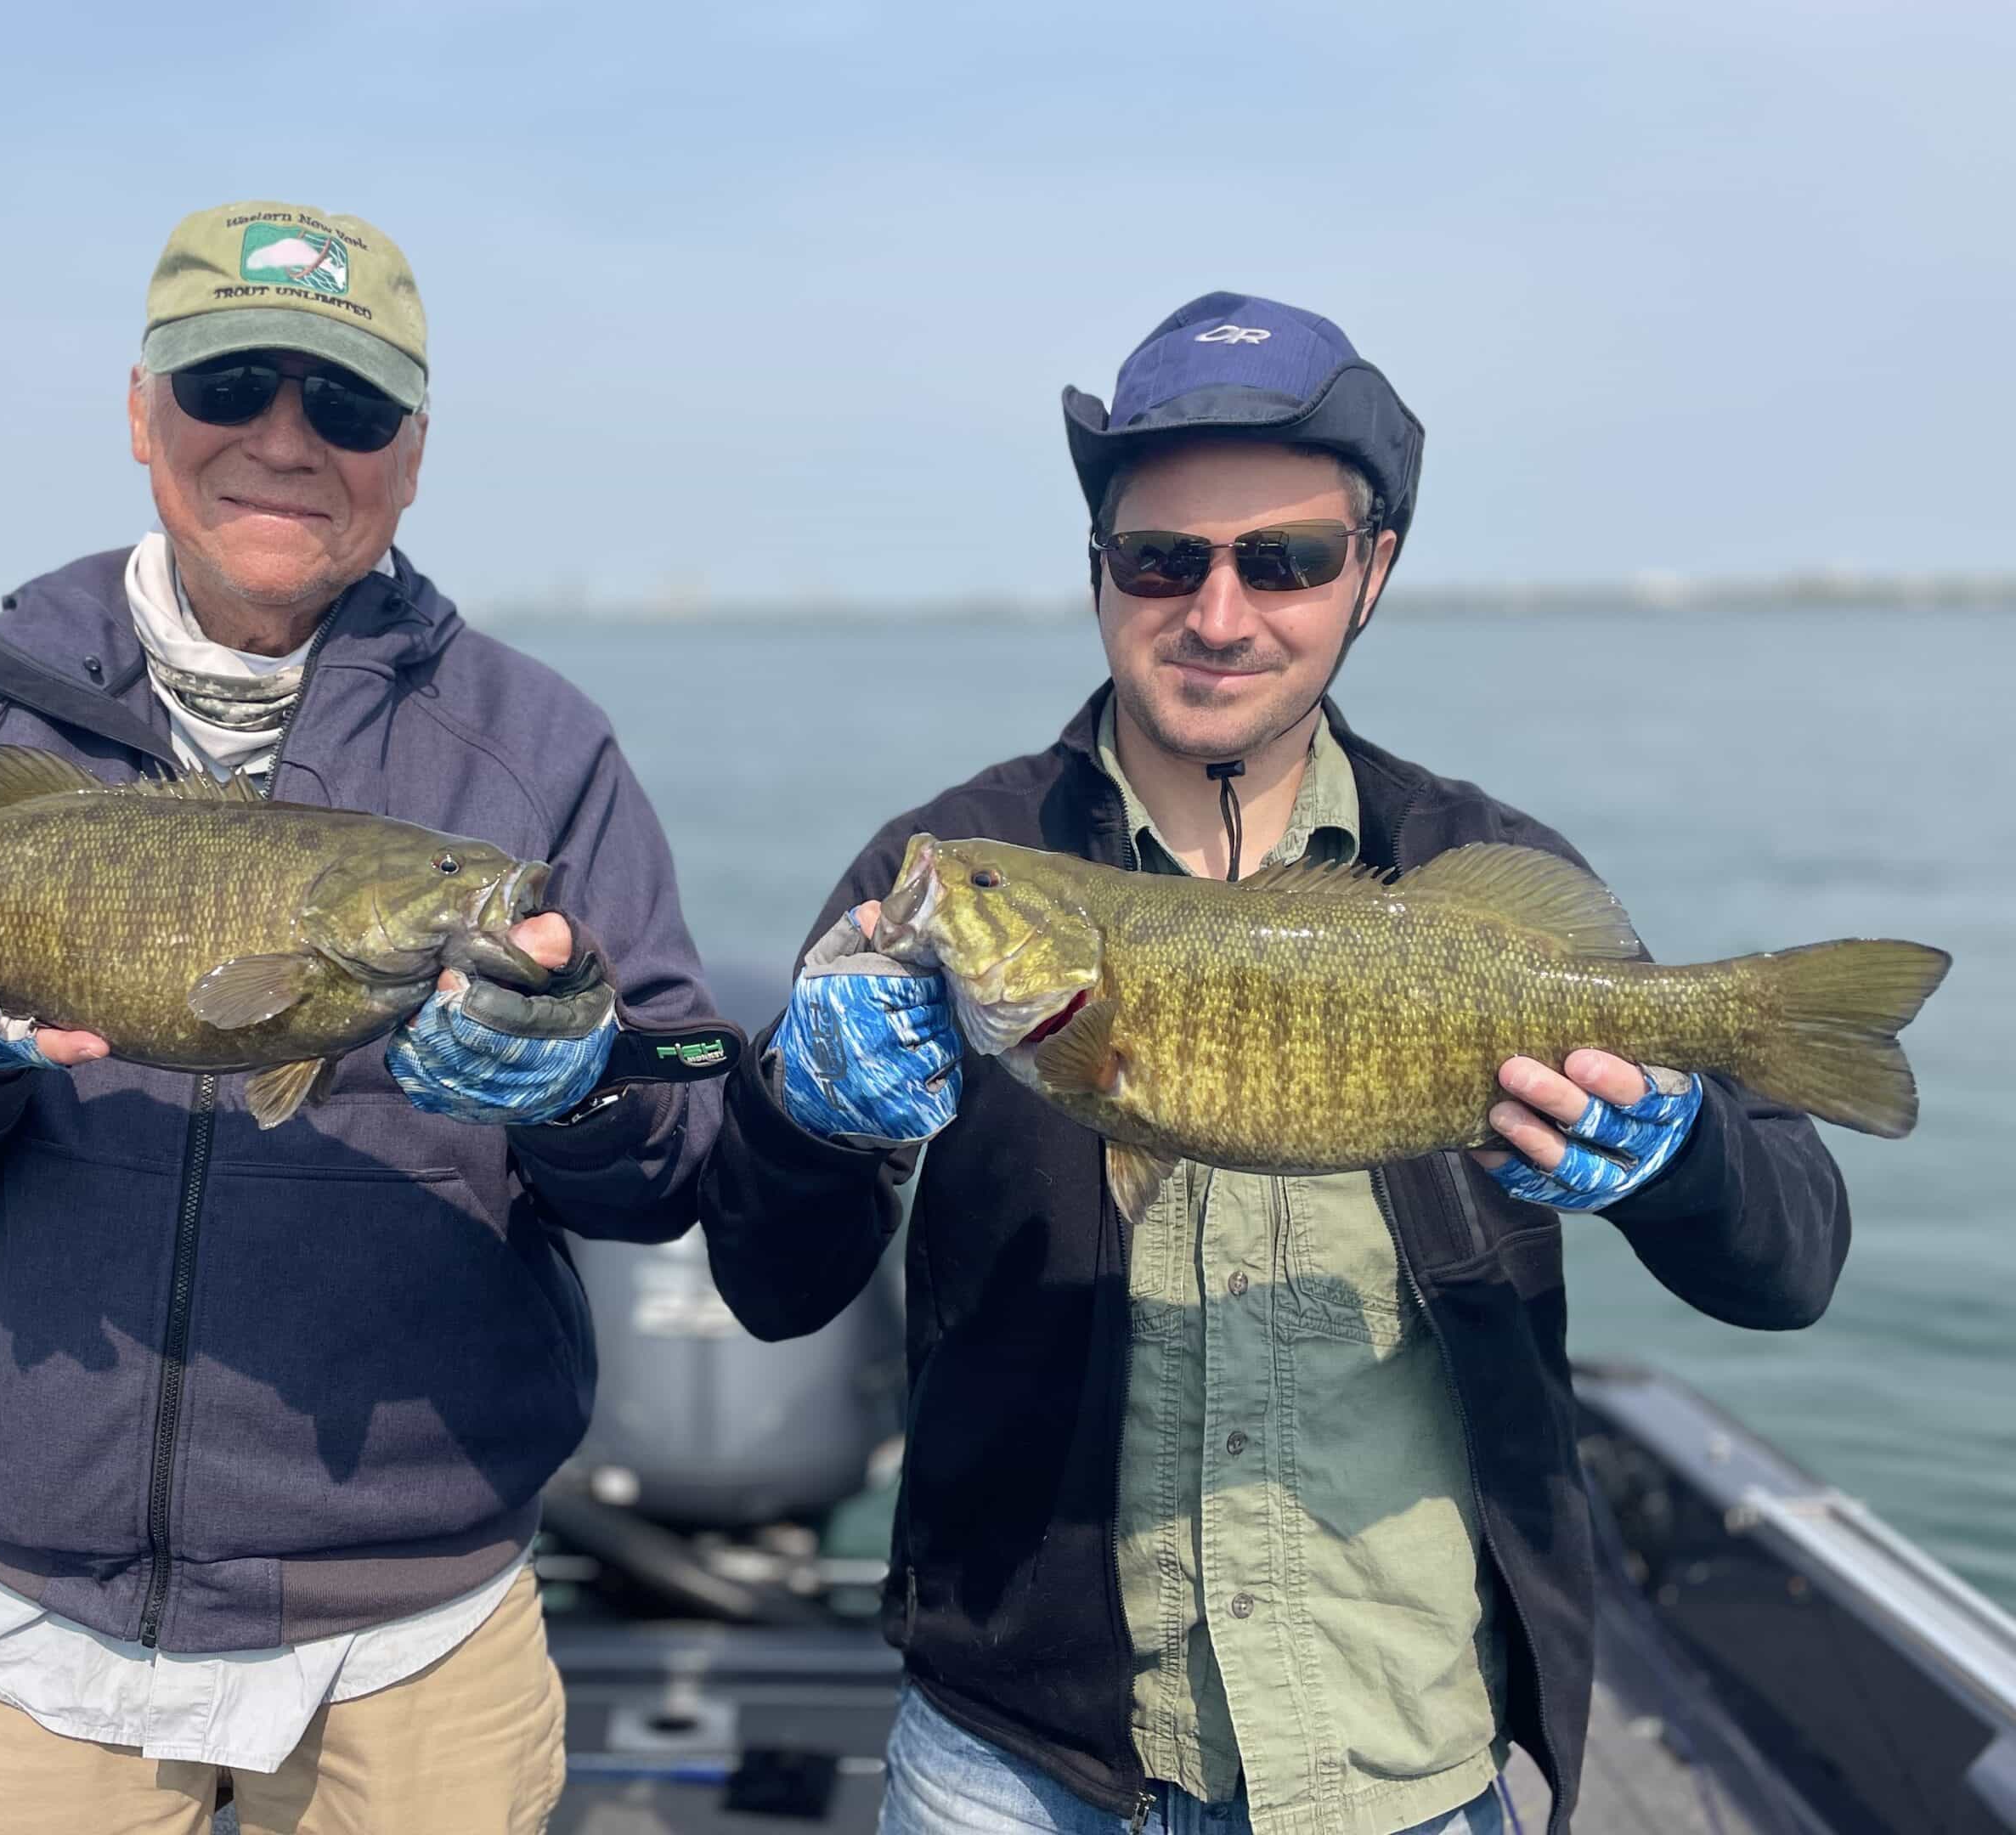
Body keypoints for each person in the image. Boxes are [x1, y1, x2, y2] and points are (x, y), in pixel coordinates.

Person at [697, 292, 1851, 1835]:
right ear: (1100, 571)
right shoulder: (954, 875)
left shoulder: (1485, 873)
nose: (1219, 613)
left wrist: (1683, 1156)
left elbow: (1790, 1263)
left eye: (1287, 559)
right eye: (1163, 558)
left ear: (1370, 573)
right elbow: (773, 1289)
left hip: (1401, 1757)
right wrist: (803, 1119)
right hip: (1018, 1758)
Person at [0, 200, 726, 1835]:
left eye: (345, 408)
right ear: (142, 415)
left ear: (412, 452)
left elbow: (679, 1136)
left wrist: (577, 1090)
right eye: (229, 390)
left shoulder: (539, 749)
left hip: (413, 1632)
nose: (285, 442)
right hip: (20, 1622)